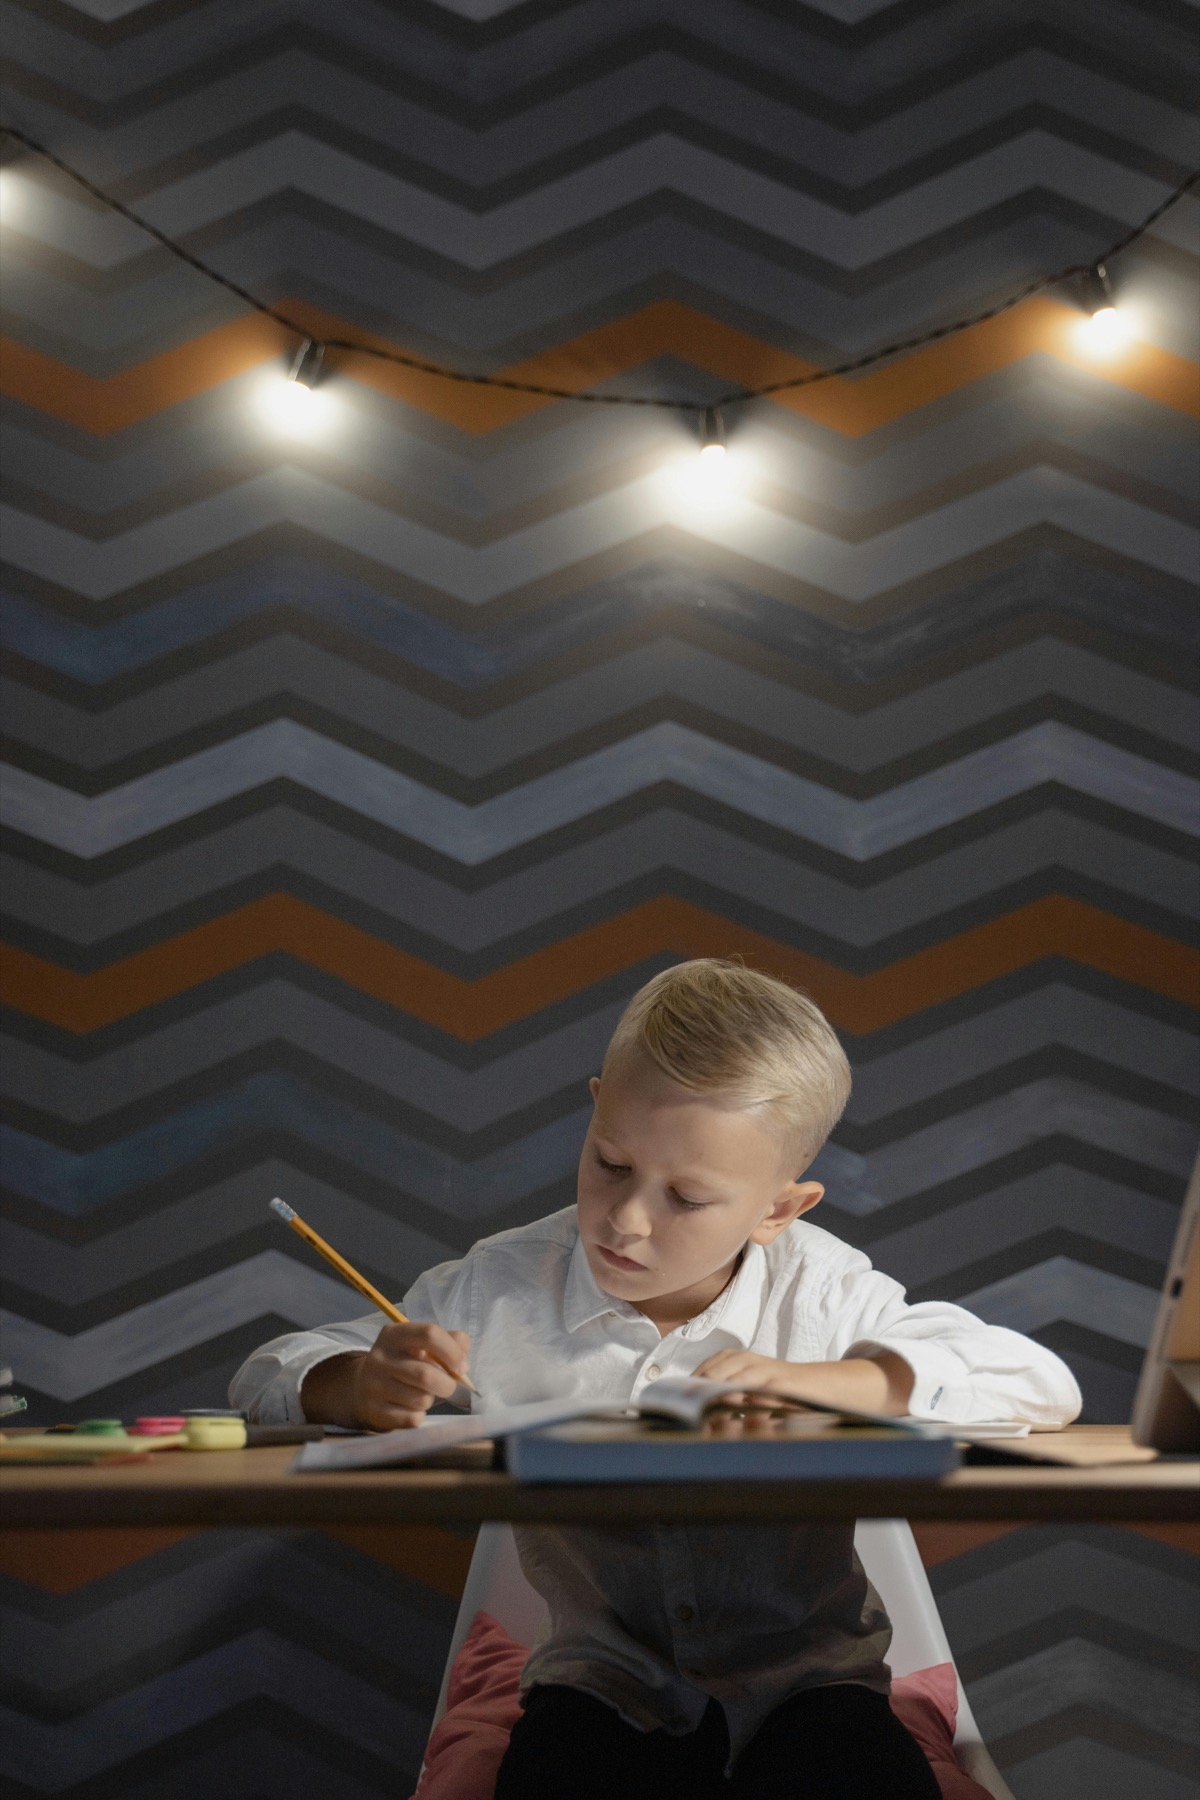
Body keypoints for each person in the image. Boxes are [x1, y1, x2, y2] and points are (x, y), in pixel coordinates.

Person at [232, 960, 1081, 1799]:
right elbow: (269, 1372)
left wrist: (835, 1383)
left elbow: (1040, 1382)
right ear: (598, 1106)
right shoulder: (501, 1287)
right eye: (610, 1164)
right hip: (601, 1685)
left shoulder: (824, 1292)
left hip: (810, 1686)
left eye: (687, 1197)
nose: (628, 1220)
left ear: (780, 1210)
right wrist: (354, 1383)